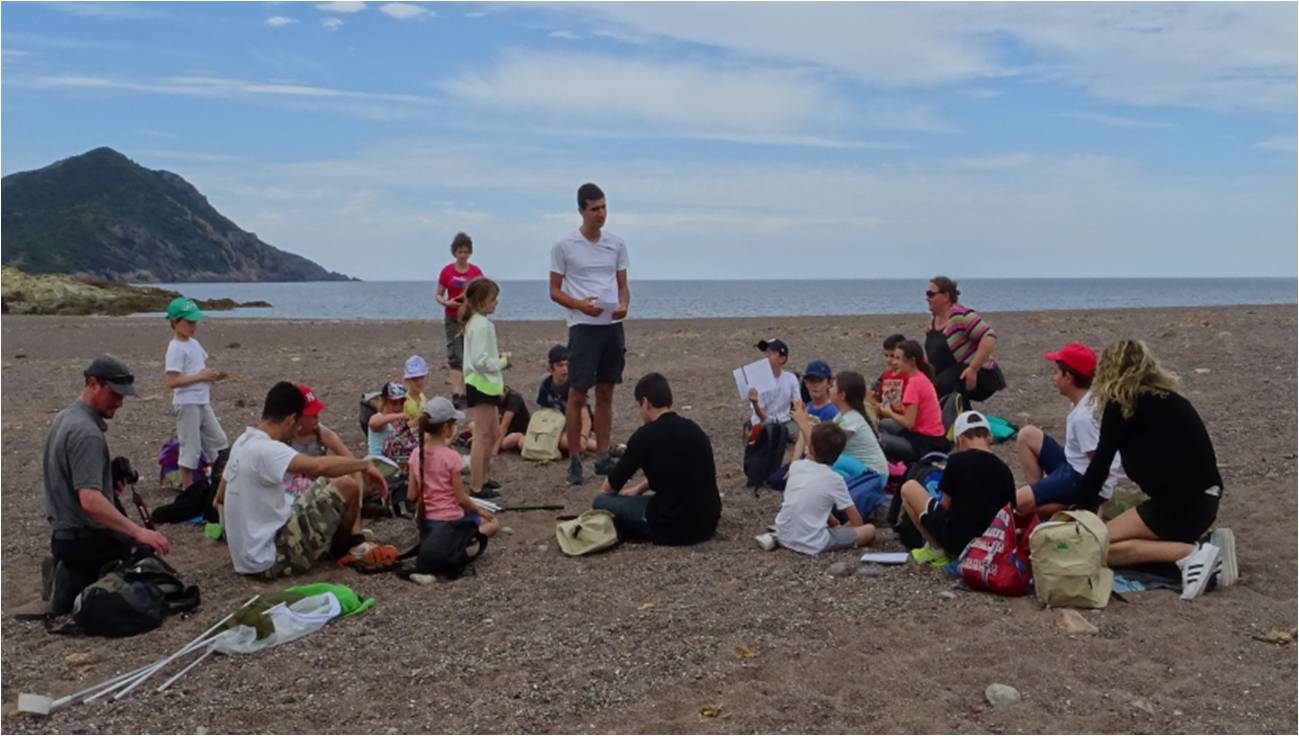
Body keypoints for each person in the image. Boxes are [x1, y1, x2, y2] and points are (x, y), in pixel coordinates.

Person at [1075, 339, 1236, 600]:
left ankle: (1191, 553)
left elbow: (1100, 465)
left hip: (1180, 506)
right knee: (1108, 542)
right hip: (1206, 500)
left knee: (1094, 547)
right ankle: (1206, 548)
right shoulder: (1171, 400)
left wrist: (1077, 512)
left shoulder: (1122, 404)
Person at [43, 355, 170, 613]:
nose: (120, 402)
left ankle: (71, 575)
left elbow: (69, 482)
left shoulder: (65, 417)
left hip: (62, 535)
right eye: (114, 394)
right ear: (93, 384)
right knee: (153, 573)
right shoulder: (86, 432)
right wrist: (138, 532)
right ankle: (78, 582)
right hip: (83, 540)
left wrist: (108, 487)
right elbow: (89, 500)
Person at [221, 382, 388, 578]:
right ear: (291, 419)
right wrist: (365, 465)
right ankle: (343, 548)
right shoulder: (268, 449)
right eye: (298, 422)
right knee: (346, 485)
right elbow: (319, 466)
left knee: (323, 486)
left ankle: (341, 539)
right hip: (269, 559)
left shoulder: (243, 442)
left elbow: (220, 497)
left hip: (246, 556)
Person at [549, 182, 631, 485]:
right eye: (595, 209)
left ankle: (603, 456)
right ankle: (574, 460)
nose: (601, 214)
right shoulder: (564, 246)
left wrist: (623, 305)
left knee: (607, 391)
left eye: (604, 207)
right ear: (582, 210)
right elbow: (554, 291)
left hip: (611, 326)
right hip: (583, 328)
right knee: (578, 393)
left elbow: (623, 284)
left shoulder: (617, 244)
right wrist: (579, 305)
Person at [593, 373, 721, 545]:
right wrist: (639, 488)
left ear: (646, 403)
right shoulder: (694, 429)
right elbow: (678, 471)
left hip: (671, 527)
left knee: (601, 502)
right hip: (708, 523)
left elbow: (609, 488)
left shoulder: (644, 436)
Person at [1014, 343, 1122, 517]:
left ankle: (1073, 509)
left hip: (1083, 478)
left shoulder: (1084, 416)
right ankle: (1041, 495)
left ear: (1068, 377)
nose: (1053, 378)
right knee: (1027, 435)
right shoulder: (1086, 397)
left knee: (1018, 502)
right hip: (1073, 462)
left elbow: (1100, 464)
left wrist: (1090, 497)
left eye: (1056, 372)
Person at [899, 411, 1015, 567]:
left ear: (961, 440)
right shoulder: (1004, 469)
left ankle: (936, 550)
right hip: (990, 542)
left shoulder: (957, 461)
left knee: (909, 488)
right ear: (989, 437)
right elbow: (1010, 512)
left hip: (957, 541)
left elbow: (945, 505)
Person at [766, 422, 876, 554]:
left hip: (783, 535)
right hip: (812, 543)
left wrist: (834, 523)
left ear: (811, 448)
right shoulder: (834, 479)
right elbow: (857, 521)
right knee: (869, 530)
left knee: (816, 506)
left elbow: (811, 499)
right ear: (838, 456)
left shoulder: (796, 466)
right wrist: (841, 529)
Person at [282, 385, 379, 533]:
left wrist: (357, 499)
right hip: (294, 492)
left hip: (319, 485)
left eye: (317, 413)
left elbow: (350, 462)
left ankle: (355, 534)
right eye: (312, 414)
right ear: (297, 417)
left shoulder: (321, 433)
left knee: (361, 480)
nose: (317, 417)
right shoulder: (284, 439)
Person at [407, 397, 500, 537]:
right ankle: (465, 540)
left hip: (425, 520)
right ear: (445, 428)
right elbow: (460, 498)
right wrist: (480, 511)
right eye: (454, 423)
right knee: (492, 523)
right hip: (449, 519)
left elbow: (411, 494)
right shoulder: (451, 457)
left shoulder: (415, 454)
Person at [163, 297, 229, 490]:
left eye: (195, 322)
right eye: (189, 322)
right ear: (175, 322)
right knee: (190, 449)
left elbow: (199, 369)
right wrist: (200, 376)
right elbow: (173, 381)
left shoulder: (194, 343)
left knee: (219, 441)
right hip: (187, 402)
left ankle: (217, 481)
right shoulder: (175, 348)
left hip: (202, 400)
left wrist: (210, 376)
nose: (194, 326)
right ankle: (188, 489)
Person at [460, 277, 511, 497]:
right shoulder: (481, 325)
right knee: (482, 436)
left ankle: (485, 477)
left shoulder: (478, 323)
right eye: (493, 299)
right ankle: (477, 485)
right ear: (481, 302)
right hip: (481, 384)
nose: (496, 302)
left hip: (486, 384)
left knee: (493, 433)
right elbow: (480, 361)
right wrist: (502, 363)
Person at [924, 276, 1005, 402]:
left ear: (945, 296)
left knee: (939, 387)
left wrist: (973, 369)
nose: (927, 299)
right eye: (926, 294)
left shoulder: (960, 315)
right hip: (950, 375)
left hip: (979, 375)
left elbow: (989, 337)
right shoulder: (933, 322)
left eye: (931, 294)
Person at [875, 340, 950, 462]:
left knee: (877, 439)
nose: (894, 362)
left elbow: (909, 423)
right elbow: (917, 414)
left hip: (925, 443)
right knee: (884, 424)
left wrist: (889, 413)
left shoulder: (914, 383)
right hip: (934, 437)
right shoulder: (920, 377)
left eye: (898, 358)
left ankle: (898, 467)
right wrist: (899, 409)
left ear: (911, 361)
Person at [435, 232, 484, 408]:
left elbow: (482, 293)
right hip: (452, 316)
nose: (462, 255)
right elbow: (438, 294)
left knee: (472, 354)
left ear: (470, 252)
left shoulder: (476, 272)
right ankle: (458, 393)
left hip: (470, 317)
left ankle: (471, 390)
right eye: (459, 251)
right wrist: (447, 302)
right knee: (455, 355)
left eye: (465, 251)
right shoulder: (447, 271)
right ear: (454, 252)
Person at [828, 371, 888, 479]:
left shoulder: (851, 420)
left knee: (834, 460)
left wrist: (804, 424)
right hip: (864, 470)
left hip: (875, 476)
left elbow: (825, 449)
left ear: (842, 395)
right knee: (833, 470)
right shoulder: (842, 415)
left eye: (833, 387)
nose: (829, 389)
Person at [537, 344, 593, 455]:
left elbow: (585, 419)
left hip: (575, 429)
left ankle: (608, 449)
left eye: (567, 365)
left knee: (577, 444)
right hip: (554, 428)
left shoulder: (575, 387)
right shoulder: (545, 385)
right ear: (550, 367)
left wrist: (583, 437)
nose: (565, 369)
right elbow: (542, 413)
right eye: (560, 365)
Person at [744, 338, 801, 444]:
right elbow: (762, 415)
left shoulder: (791, 378)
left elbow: (798, 405)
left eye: (771, 353)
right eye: (766, 352)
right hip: (763, 421)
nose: (766, 356)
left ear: (782, 358)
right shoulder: (758, 379)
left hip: (785, 421)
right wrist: (755, 403)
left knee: (801, 436)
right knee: (762, 437)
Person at [789, 359, 838, 463]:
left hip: (821, 460)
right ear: (806, 383)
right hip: (808, 456)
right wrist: (793, 464)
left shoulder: (832, 411)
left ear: (829, 383)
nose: (815, 385)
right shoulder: (808, 407)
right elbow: (801, 439)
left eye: (819, 380)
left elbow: (824, 449)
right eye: (811, 381)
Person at [872, 333, 908, 414]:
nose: (888, 360)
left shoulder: (907, 376)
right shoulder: (886, 374)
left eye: (892, 356)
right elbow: (880, 396)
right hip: (885, 412)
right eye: (886, 355)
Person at [491, 387, 531, 454]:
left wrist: (494, 450)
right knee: (473, 425)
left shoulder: (514, 398)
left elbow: (504, 426)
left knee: (506, 443)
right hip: (505, 429)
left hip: (519, 431)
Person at [403, 355, 430, 422]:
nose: (419, 382)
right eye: (415, 379)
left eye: (422, 377)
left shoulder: (423, 397)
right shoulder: (404, 401)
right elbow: (403, 427)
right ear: (407, 380)